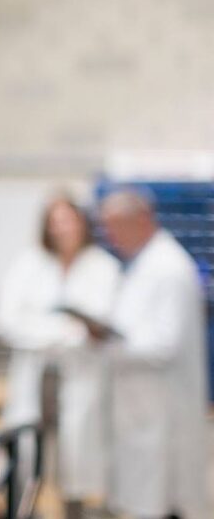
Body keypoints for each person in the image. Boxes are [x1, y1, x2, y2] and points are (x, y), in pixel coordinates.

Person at [0, 195, 120, 514]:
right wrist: (63, 329)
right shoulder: (29, 263)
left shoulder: (103, 267)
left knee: (76, 467)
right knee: (26, 461)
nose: (61, 228)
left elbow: (99, 325)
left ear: (82, 222)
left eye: (68, 220)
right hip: (35, 377)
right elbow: (8, 321)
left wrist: (45, 328)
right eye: (55, 221)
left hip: (80, 377)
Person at [98, 189, 209, 519]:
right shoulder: (143, 264)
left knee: (164, 499)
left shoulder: (168, 268)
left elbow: (163, 346)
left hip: (163, 412)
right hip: (142, 409)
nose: (110, 236)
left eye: (115, 226)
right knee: (146, 496)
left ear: (142, 220)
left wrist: (109, 345)